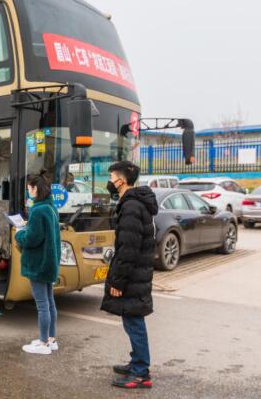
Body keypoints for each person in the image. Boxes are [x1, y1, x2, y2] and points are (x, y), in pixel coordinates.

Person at [101, 161, 158, 389]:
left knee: (134, 321)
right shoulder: (134, 203)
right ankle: (137, 362)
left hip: (133, 275)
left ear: (121, 180)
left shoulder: (132, 207)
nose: (110, 181)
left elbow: (128, 249)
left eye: (111, 177)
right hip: (137, 274)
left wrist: (118, 281)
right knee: (132, 319)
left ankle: (141, 372)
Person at [15, 170, 61, 355]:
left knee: (42, 305)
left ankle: (43, 343)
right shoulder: (51, 208)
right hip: (49, 262)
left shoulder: (37, 210)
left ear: (35, 189)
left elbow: (32, 239)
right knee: (50, 302)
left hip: (38, 264)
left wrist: (20, 232)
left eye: (29, 188)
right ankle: (51, 339)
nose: (28, 191)